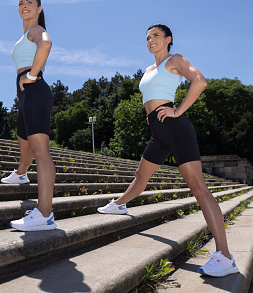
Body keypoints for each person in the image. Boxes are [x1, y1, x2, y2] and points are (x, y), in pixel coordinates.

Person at [97, 24, 239, 277]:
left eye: (156, 36)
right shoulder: (149, 69)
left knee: (198, 187)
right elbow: (150, 96)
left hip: (175, 127)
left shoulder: (176, 59)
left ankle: (225, 256)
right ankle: (119, 204)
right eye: (148, 37)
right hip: (158, 131)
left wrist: (178, 110)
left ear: (168, 39)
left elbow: (200, 81)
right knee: (141, 175)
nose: (151, 40)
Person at [0, 0, 56, 232]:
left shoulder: (35, 30)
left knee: (40, 150)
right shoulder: (25, 35)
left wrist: (31, 75)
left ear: (39, 8)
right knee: (23, 140)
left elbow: (46, 44)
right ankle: (22, 173)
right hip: (26, 93)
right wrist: (20, 90)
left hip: (34, 90)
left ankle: (45, 214)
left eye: (29, 3)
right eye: (21, 3)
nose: (24, 6)